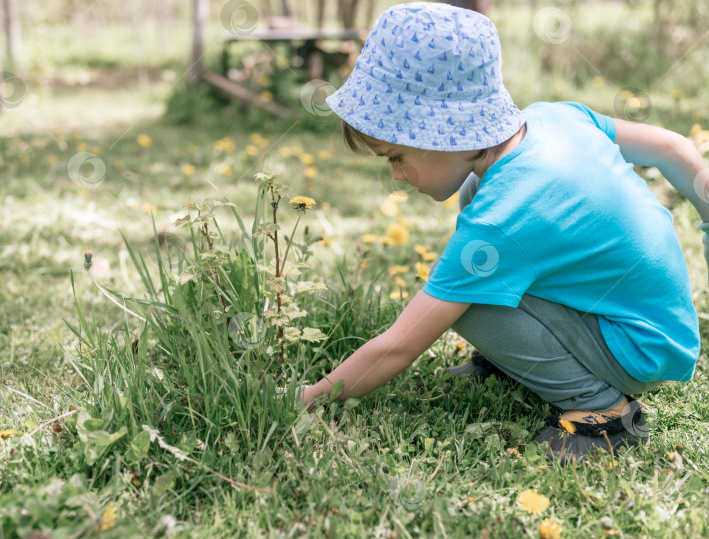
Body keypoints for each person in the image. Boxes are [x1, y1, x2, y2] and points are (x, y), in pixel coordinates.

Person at [297, 1, 708, 462]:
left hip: (638, 350)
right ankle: (521, 365)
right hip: (657, 327)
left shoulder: (501, 218)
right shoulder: (554, 117)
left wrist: (306, 400)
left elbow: (397, 347)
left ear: (442, 134)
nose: (395, 174)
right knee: (476, 206)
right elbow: (675, 148)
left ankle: (603, 413)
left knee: (468, 304)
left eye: (395, 156)